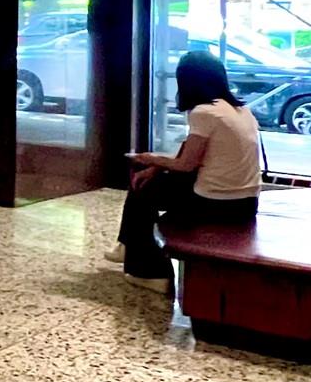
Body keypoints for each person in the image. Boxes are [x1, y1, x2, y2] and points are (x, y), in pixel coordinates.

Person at [111, 49, 262, 290]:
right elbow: (193, 154)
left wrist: (149, 159)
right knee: (150, 183)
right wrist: (157, 167)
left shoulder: (204, 112)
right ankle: (129, 247)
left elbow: (186, 164)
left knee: (143, 192)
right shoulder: (241, 110)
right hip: (245, 202)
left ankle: (150, 271)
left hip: (215, 203)